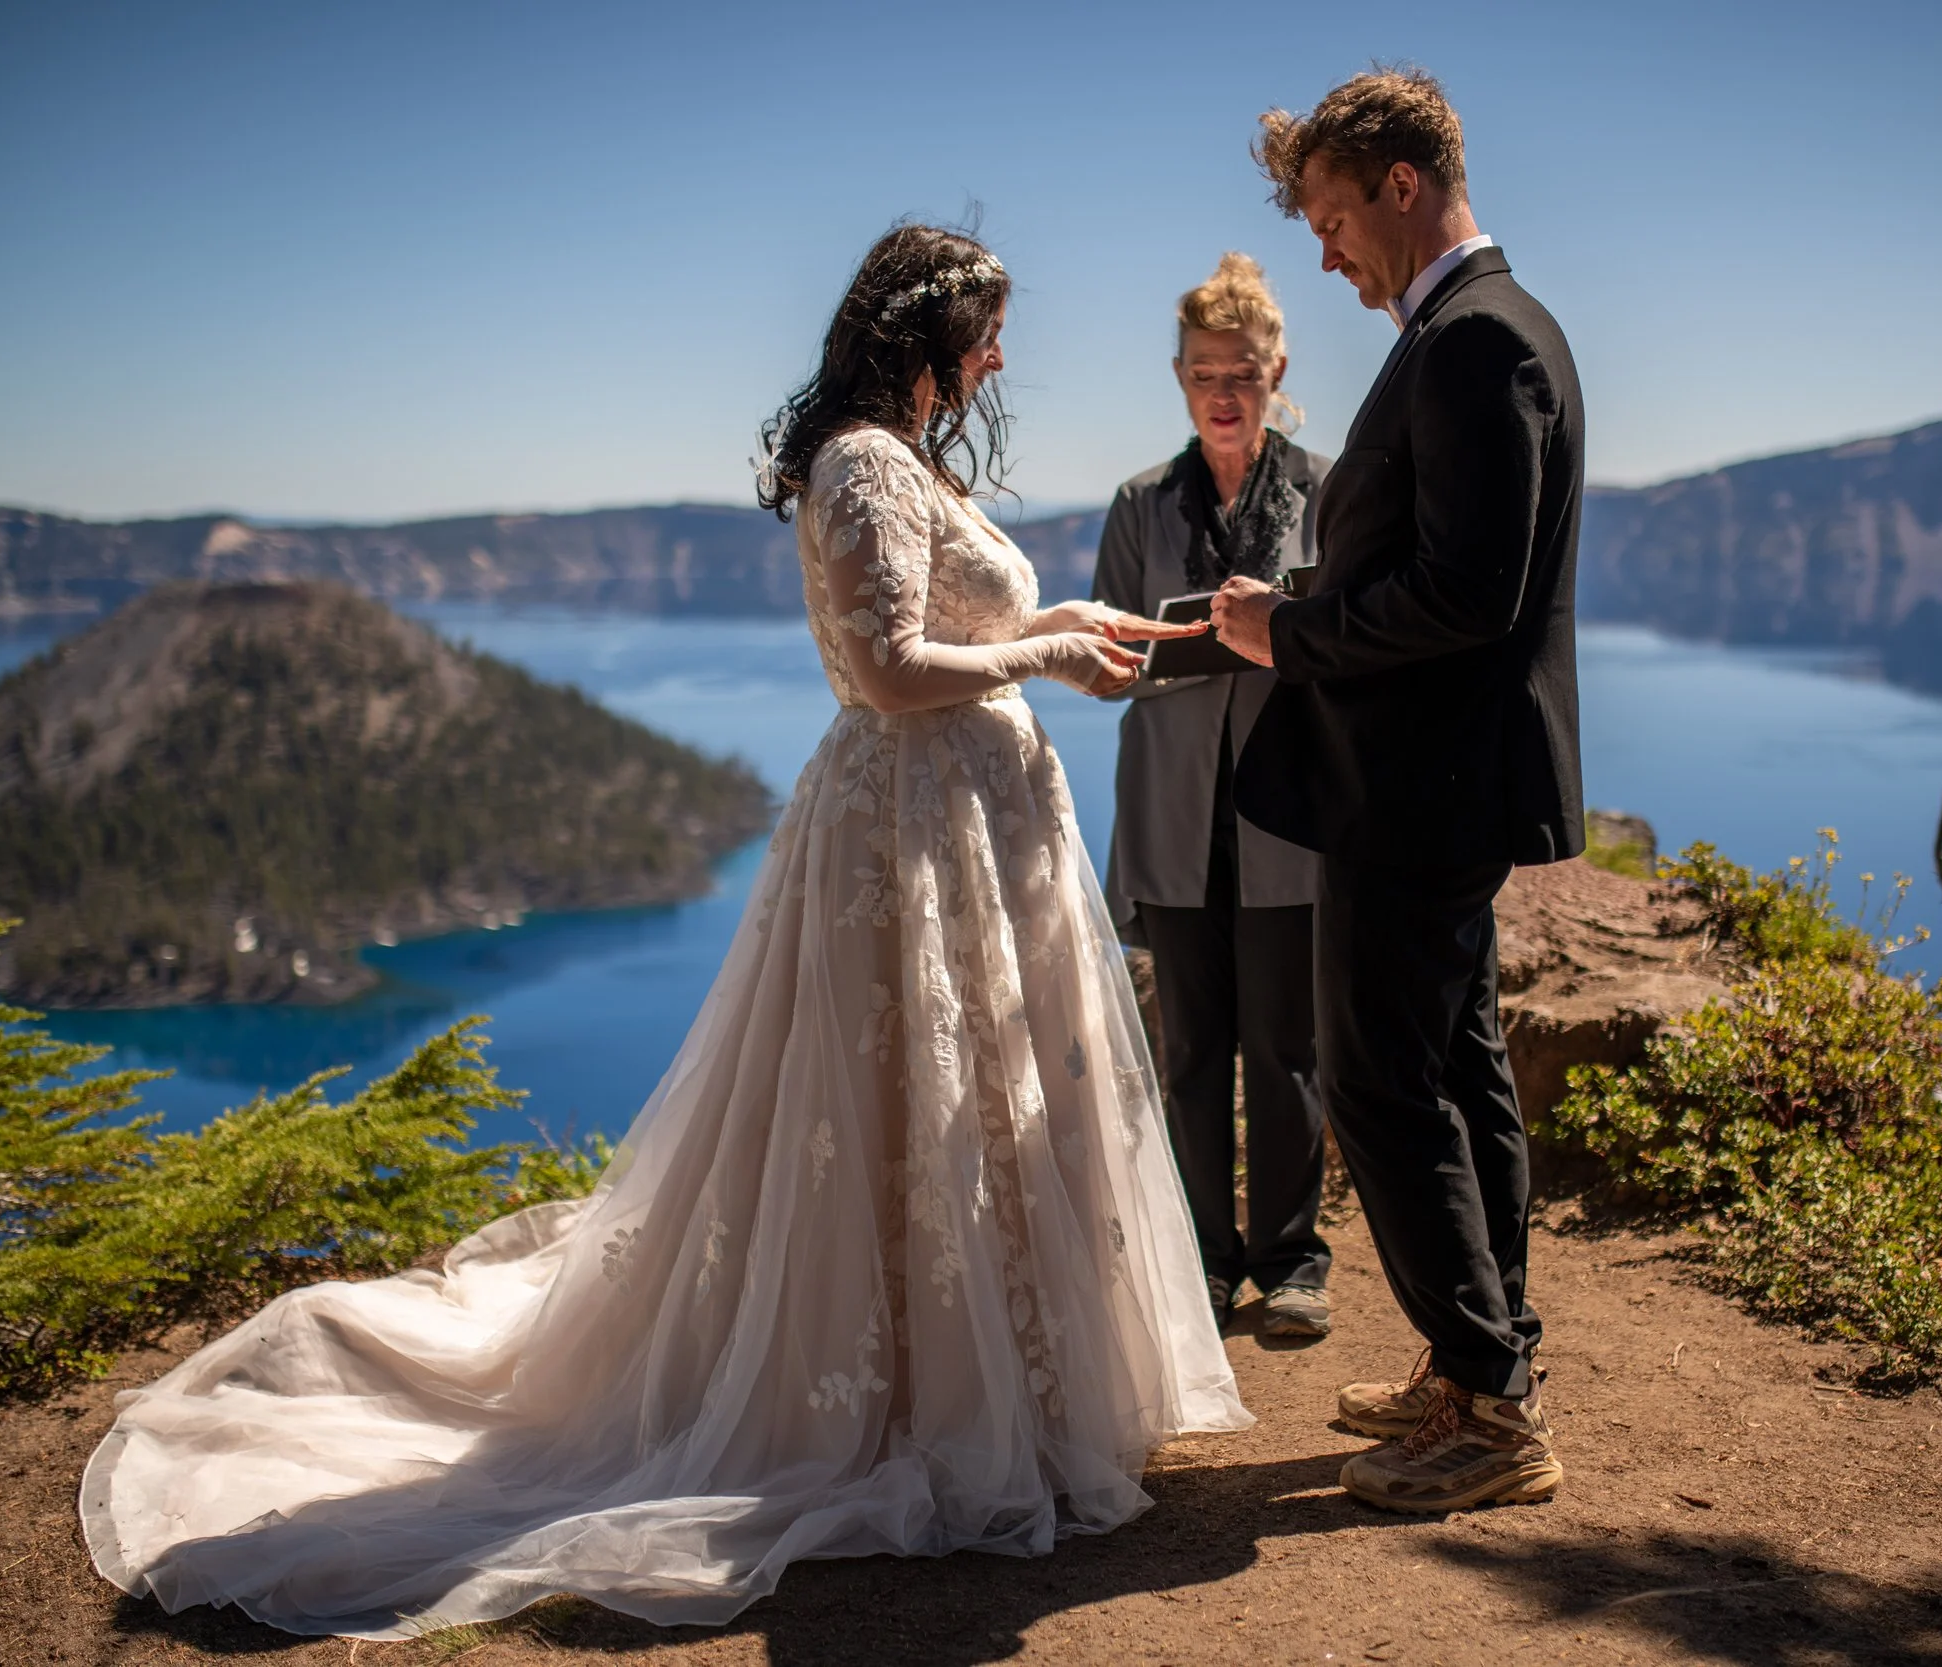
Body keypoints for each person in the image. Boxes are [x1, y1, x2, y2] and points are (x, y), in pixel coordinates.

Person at [81, 223, 1250, 1640]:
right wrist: (1044, 653)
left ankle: (984, 1384)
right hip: (915, 834)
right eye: (986, 330)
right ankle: (909, 1401)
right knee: (909, 1102)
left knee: (972, 1100)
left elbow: (936, 625)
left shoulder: (906, 459)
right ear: (925, 332)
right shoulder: (868, 461)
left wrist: (1061, 616)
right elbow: (885, 669)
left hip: (960, 829)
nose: (1000, 355)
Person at [1211, 68, 1584, 1514]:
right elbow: (1428, 563)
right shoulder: (1481, 331)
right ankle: (1481, 1361)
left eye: (1329, 214)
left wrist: (1286, 634)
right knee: (1459, 1068)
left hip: (1415, 787)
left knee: (1375, 1081)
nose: (1322, 248)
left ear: (1400, 187)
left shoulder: (1480, 341)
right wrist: (1300, 596)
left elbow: (1466, 593)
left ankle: (1492, 1411)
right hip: (1429, 779)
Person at [1093, 253, 1332, 1339]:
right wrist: (1155, 646)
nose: (1223, 393)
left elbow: (1358, 639)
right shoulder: (1139, 504)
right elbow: (1101, 649)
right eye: (1202, 375)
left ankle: (1292, 1260)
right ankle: (1202, 1254)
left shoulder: (1329, 491)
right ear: (1179, 380)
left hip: (1289, 813)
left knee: (1285, 1050)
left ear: (1276, 370)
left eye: (1241, 372)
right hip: (1174, 812)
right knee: (1189, 1052)